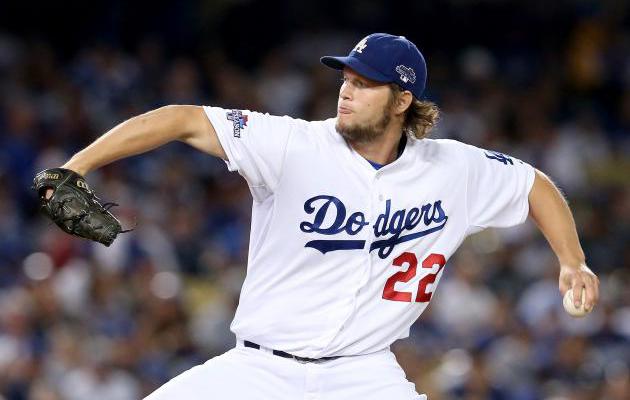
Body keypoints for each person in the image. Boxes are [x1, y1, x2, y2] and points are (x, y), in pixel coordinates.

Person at [39, 33, 599, 399]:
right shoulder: (291, 144)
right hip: (258, 371)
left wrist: (572, 261)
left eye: (364, 83)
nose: (346, 91)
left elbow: (533, 184)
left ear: (403, 100)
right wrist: (76, 166)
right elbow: (181, 119)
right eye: (345, 79)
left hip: (363, 374)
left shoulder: (452, 169)